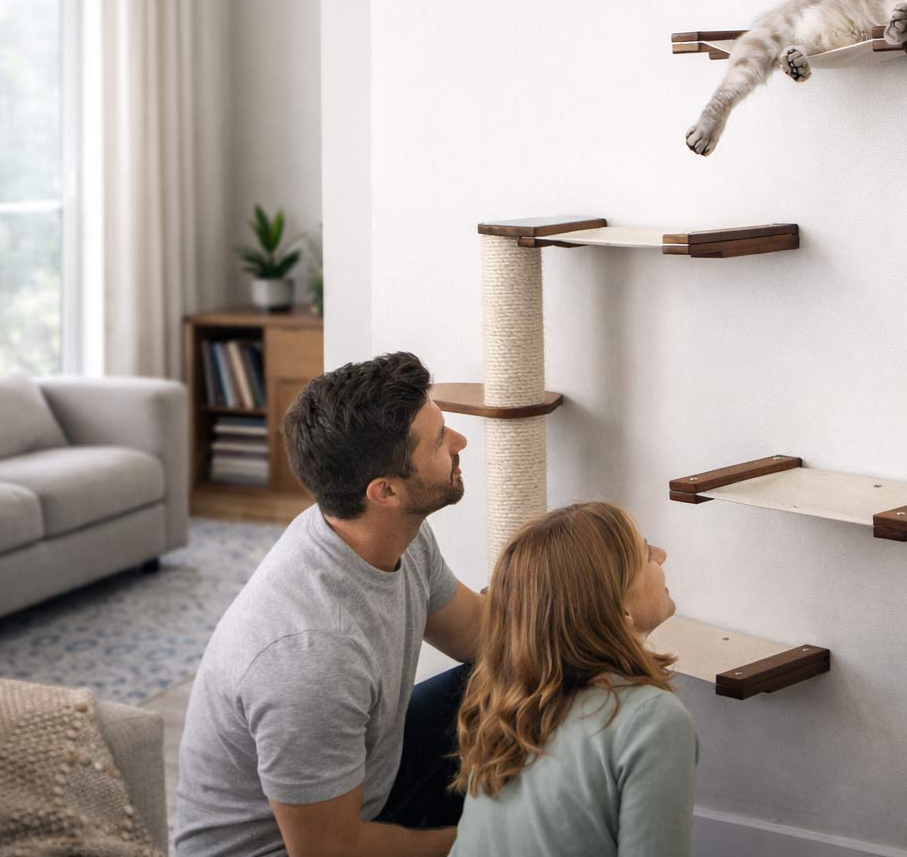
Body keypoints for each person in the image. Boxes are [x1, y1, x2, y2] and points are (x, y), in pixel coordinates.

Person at [174, 352, 488, 857]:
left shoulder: (393, 534)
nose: (460, 442)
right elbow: (330, 853)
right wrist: (488, 841)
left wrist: (601, 628)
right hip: (315, 847)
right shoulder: (310, 656)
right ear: (384, 490)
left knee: (509, 676)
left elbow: (480, 631)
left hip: (362, 796)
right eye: (440, 440)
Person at [449, 501, 698, 856]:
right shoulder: (652, 718)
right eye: (645, 553)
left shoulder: (505, 703)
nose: (661, 555)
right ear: (620, 610)